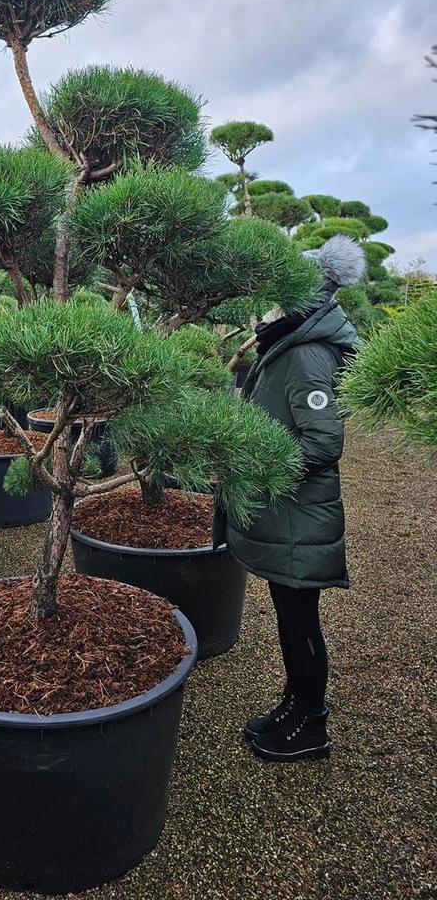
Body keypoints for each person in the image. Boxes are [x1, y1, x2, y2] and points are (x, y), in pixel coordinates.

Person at [215, 234, 366, 762]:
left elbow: (323, 441)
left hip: (299, 513)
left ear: (306, 296)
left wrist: (262, 471)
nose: (271, 304)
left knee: (300, 620)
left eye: (281, 293)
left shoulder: (305, 355)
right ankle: (294, 706)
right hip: (291, 511)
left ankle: (311, 726)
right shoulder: (290, 341)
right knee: (289, 615)